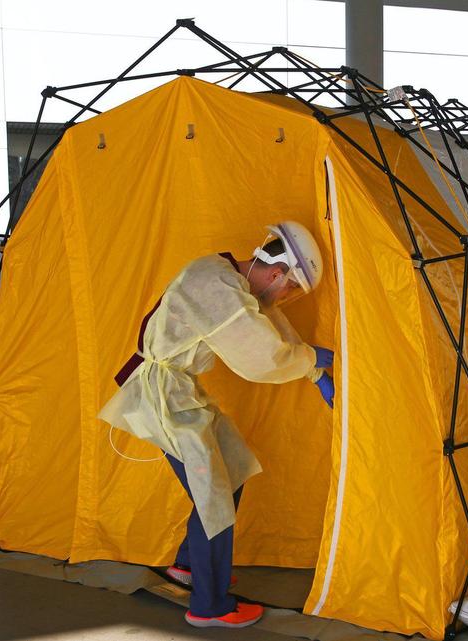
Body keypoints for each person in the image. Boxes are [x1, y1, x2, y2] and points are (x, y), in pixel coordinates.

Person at [98, 221, 335, 629]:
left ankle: (190, 566)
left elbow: (266, 323)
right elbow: (260, 356)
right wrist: (312, 359)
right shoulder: (217, 286)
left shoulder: (229, 278)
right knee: (213, 495)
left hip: (178, 392)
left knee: (231, 467)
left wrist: (314, 374)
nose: (285, 298)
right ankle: (209, 605)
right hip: (162, 397)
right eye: (291, 288)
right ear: (278, 274)